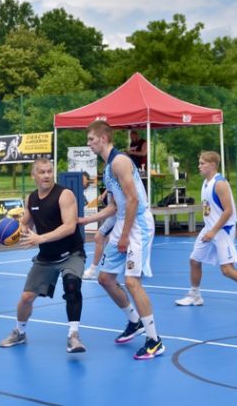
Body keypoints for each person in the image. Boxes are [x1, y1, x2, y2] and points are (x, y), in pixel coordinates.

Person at [84, 120, 164, 360]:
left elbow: (133, 201)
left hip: (137, 224)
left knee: (132, 282)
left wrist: (126, 235)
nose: (88, 143)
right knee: (106, 278)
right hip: (123, 221)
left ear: (104, 138)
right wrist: (85, 220)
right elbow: (113, 206)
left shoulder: (119, 161)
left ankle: (154, 340)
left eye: (91, 139)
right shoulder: (108, 168)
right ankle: (134, 321)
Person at [0, 158, 87, 353]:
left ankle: (73, 335)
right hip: (46, 257)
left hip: (71, 253)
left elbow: (69, 226)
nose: (47, 175)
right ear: (34, 175)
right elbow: (26, 223)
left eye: (49, 171)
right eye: (42, 172)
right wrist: (12, 231)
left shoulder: (65, 195)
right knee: (26, 297)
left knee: (71, 284)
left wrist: (40, 238)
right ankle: (20, 332)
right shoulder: (31, 199)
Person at [175, 151, 237, 313]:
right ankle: (195, 295)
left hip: (222, 230)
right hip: (209, 229)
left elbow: (229, 210)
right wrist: (209, 230)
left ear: (213, 165)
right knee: (194, 260)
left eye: (202, 163)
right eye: (199, 163)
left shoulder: (220, 184)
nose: (199, 166)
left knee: (227, 270)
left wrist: (213, 231)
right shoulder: (206, 182)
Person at [82, 189, 116, 280]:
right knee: (101, 238)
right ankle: (96, 270)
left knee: (100, 237)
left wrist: (87, 219)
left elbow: (112, 209)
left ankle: (94, 270)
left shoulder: (120, 177)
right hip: (116, 214)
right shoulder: (110, 178)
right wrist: (105, 193)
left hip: (119, 215)